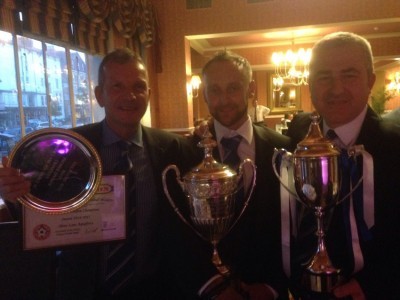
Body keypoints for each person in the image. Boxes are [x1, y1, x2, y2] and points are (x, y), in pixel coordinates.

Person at [0, 48, 194, 299]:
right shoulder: (66, 147)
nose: (130, 95)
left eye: (138, 86)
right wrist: (14, 193)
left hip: (154, 288)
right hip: (81, 289)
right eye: (117, 86)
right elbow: (40, 208)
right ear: (99, 95)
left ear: (149, 93)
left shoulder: (173, 148)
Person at [164, 50, 291, 299]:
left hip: (267, 288)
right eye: (215, 90)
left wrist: (272, 287)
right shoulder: (184, 153)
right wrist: (213, 287)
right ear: (204, 94)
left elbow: (293, 225)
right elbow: (177, 232)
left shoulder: (283, 149)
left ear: (251, 88)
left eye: (233, 88)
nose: (224, 100)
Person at [286, 32, 400, 299]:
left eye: (349, 75)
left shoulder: (395, 145)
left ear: (370, 81)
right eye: (323, 77)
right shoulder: (297, 134)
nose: (335, 89)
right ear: (310, 83)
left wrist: (372, 284)